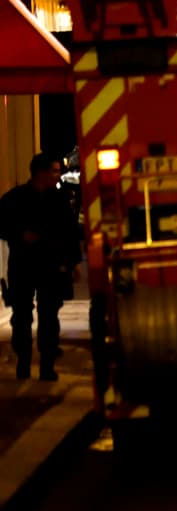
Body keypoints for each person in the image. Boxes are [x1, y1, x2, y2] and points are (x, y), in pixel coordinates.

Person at [0, 151, 82, 381]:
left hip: (50, 265)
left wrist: (73, 262)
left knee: (49, 316)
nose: (59, 175)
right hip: (23, 264)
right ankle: (23, 363)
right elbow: (1, 225)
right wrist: (20, 234)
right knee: (21, 316)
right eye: (55, 171)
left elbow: (69, 233)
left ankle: (47, 366)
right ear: (40, 172)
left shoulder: (60, 201)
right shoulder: (14, 199)